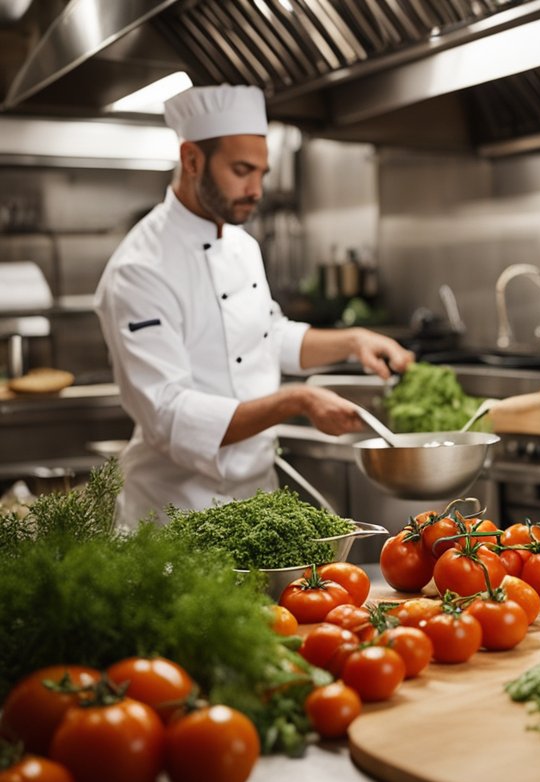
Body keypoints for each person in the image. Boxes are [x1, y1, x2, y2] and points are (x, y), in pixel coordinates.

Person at [95, 85, 413, 527]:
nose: (256, 189)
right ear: (191, 160)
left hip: (256, 508)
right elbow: (170, 416)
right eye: (242, 171)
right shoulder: (139, 269)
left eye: (262, 173)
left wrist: (353, 341)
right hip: (174, 516)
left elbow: (267, 335)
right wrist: (295, 400)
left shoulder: (242, 247)